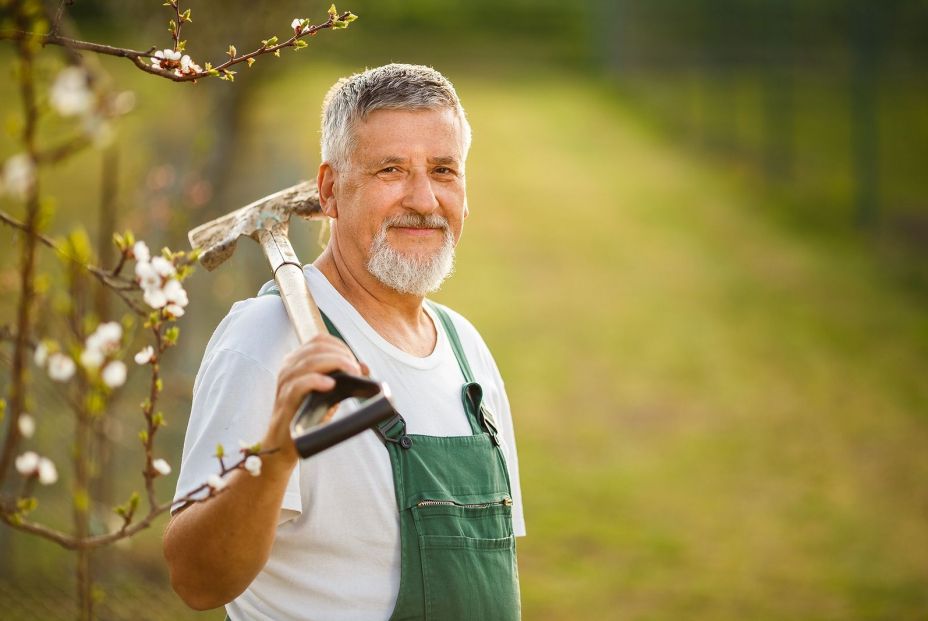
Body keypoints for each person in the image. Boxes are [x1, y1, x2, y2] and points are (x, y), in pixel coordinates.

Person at [163, 63, 525, 621]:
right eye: (391, 170)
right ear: (330, 191)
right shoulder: (265, 339)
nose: (425, 200)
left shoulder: (465, 350)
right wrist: (278, 453)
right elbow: (195, 579)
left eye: (444, 170)